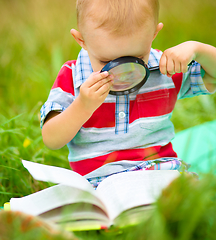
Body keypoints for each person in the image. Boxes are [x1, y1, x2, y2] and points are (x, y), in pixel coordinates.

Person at [40, 0, 216, 188]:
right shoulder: (72, 77)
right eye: (106, 62)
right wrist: (83, 105)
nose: (123, 73)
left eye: (137, 59)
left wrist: (199, 50)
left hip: (160, 174)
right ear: (81, 40)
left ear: (154, 34)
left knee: (194, 191)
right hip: (100, 185)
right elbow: (51, 139)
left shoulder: (163, 68)